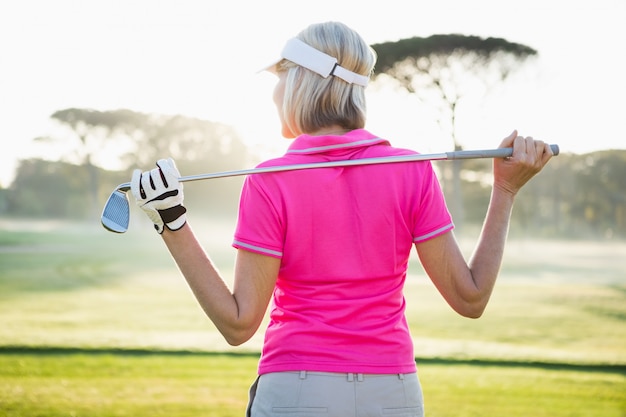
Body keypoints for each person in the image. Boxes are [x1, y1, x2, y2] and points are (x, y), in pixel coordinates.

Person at [130, 21, 553, 417]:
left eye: (280, 78)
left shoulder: (270, 180)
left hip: (297, 389)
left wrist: (172, 221)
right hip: (394, 392)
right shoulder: (411, 168)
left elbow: (238, 325)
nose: (275, 93)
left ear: (299, 82)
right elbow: (471, 298)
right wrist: (506, 190)